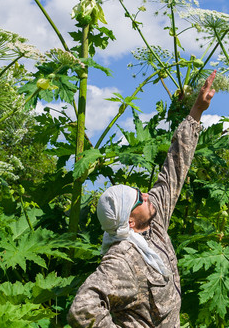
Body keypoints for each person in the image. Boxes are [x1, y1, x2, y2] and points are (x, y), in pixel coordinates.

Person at [68, 71, 217, 327]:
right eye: (138, 198)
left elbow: (174, 169)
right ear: (129, 220)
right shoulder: (123, 258)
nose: (146, 195)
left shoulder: (153, 226)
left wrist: (197, 110)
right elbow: (82, 310)